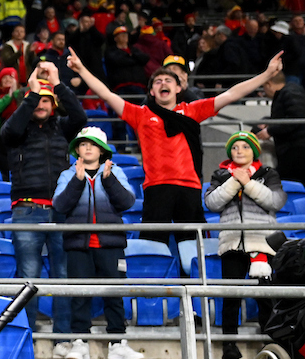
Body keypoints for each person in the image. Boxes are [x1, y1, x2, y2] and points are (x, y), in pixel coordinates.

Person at [67, 49, 284, 251]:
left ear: (179, 89)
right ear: (152, 91)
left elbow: (231, 95)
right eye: (158, 81)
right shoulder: (140, 114)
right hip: (156, 189)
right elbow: (106, 94)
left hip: (189, 189)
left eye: (169, 80)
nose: (163, 83)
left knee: (194, 251)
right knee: (152, 248)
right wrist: (81, 69)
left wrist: (266, 75)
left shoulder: (192, 110)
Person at [0, 63, 86, 344]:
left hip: (61, 210)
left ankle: (63, 339)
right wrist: (32, 93)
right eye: (37, 100)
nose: (41, 104)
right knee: (29, 277)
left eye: (47, 100)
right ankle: (28, 338)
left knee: (63, 276)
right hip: (26, 210)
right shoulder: (17, 130)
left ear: (54, 104)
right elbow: (7, 133)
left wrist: (57, 82)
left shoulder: (63, 128)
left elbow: (80, 116)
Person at [53, 127, 140, 359]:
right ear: (77, 150)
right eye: (83, 144)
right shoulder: (68, 175)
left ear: (102, 150)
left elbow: (127, 202)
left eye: (93, 144)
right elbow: (60, 205)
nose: (88, 148)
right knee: (80, 295)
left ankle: (118, 343)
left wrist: (109, 181)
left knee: (114, 294)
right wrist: (77, 181)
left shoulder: (115, 172)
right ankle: (79, 342)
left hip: (110, 244)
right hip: (78, 245)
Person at [204, 131, 286, 359]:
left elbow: (275, 201)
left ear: (255, 151)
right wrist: (234, 180)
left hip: (262, 244)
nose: (239, 151)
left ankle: (271, 344)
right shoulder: (220, 175)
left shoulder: (267, 173)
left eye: (245, 147)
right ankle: (229, 345)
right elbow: (211, 202)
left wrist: (248, 183)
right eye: (235, 147)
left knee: (265, 297)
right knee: (230, 297)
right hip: (232, 243)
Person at [256, 67, 305, 184]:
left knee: (289, 183)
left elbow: (296, 118)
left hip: (296, 151)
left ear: (268, 84)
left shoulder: (290, 92)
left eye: (263, 87)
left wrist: (270, 131)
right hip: (292, 150)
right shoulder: (287, 93)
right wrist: (269, 122)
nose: (264, 91)